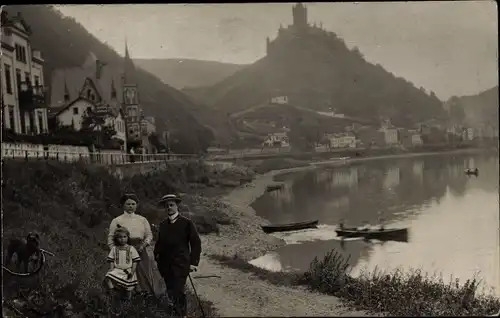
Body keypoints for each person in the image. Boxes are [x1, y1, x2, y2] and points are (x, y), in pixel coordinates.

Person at [154, 194, 202, 318]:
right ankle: (175, 312)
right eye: (166, 206)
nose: (169, 208)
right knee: (170, 291)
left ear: (177, 206)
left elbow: (196, 243)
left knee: (178, 290)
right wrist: (157, 258)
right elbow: (159, 244)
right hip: (165, 265)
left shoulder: (187, 223)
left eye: (171, 205)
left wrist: (193, 263)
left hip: (181, 264)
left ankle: (182, 315)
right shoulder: (163, 224)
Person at [108, 193, 165, 297]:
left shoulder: (142, 220)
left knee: (144, 274)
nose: (131, 206)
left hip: (140, 250)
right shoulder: (117, 220)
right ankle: (128, 297)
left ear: (137, 205)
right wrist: (115, 252)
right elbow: (111, 238)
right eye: (128, 204)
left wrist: (143, 245)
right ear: (123, 205)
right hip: (123, 251)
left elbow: (149, 235)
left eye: (133, 204)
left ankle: (145, 295)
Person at [104, 227, 140, 300]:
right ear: (116, 238)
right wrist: (111, 269)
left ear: (127, 237)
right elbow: (111, 260)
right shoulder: (114, 248)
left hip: (128, 271)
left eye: (124, 237)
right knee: (108, 277)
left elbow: (135, 261)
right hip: (117, 270)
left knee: (128, 288)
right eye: (120, 237)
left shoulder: (131, 248)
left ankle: (127, 301)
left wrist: (132, 272)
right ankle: (112, 292)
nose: (122, 239)